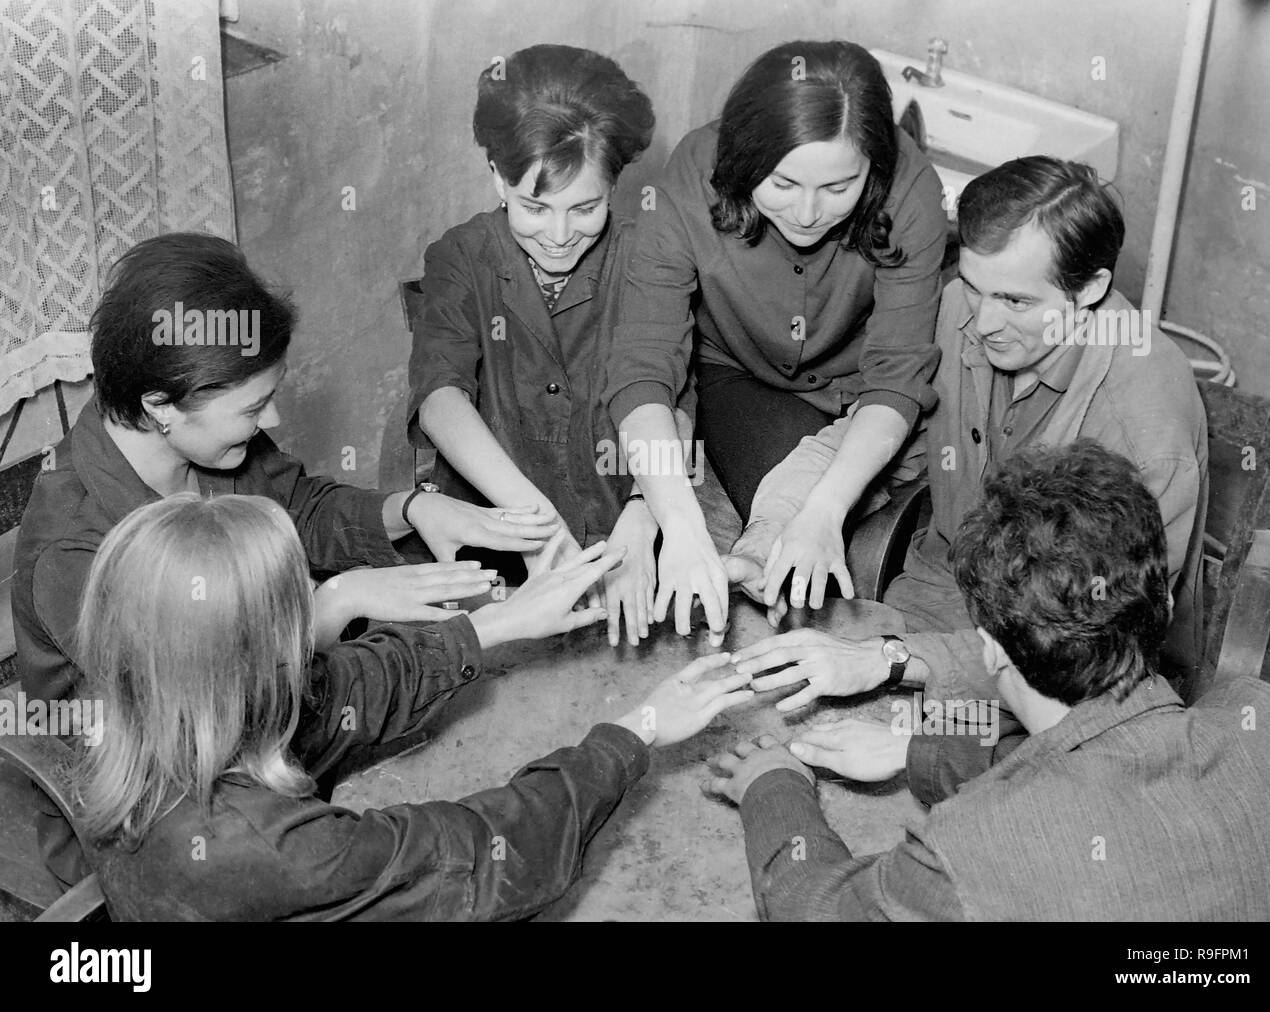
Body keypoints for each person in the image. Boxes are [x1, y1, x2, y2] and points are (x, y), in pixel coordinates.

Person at [13, 231, 559, 885]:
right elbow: (206, 705)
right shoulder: (78, 552)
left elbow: (299, 506)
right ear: (160, 406)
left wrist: (414, 509)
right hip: (158, 807)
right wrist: (333, 606)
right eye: (252, 407)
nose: (269, 415)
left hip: (265, 727)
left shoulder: (210, 442)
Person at [726, 156, 1207, 803]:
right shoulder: (962, 307)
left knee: (939, 823)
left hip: (1062, 671)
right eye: (976, 287)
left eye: (1014, 300)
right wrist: (776, 526)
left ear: (1090, 288)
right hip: (937, 595)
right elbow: (872, 429)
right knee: (773, 706)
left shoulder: (1147, 429)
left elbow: (1080, 649)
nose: (980, 323)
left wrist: (893, 661)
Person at [74, 493, 752, 920]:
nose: (315, 621)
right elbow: (487, 854)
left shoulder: (145, 733)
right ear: (254, 668)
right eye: (300, 611)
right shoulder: (278, 850)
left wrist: (494, 625)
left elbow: (337, 693)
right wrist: (637, 732)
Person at [709, 441, 1270, 920]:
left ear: (989, 650)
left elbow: (819, 909)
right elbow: (1103, 758)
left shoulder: (971, 853)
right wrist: (923, 753)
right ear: (1163, 608)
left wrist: (773, 785)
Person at [605, 40, 947, 646]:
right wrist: (677, 523)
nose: (810, 212)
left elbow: (896, 377)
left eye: (840, 187)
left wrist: (823, 514)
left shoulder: (914, 186)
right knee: (777, 545)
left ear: (875, 168)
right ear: (743, 158)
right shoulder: (689, 173)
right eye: (783, 184)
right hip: (739, 380)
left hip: (860, 395)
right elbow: (643, 362)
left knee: (819, 523)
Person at [409, 44, 686, 647]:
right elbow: (440, 397)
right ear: (496, 178)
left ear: (615, 183)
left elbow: (671, 397)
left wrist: (644, 512)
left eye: (585, 207)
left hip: (627, 522)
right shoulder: (460, 257)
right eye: (535, 206)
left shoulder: (651, 257)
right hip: (499, 533)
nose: (559, 235)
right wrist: (542, 529)